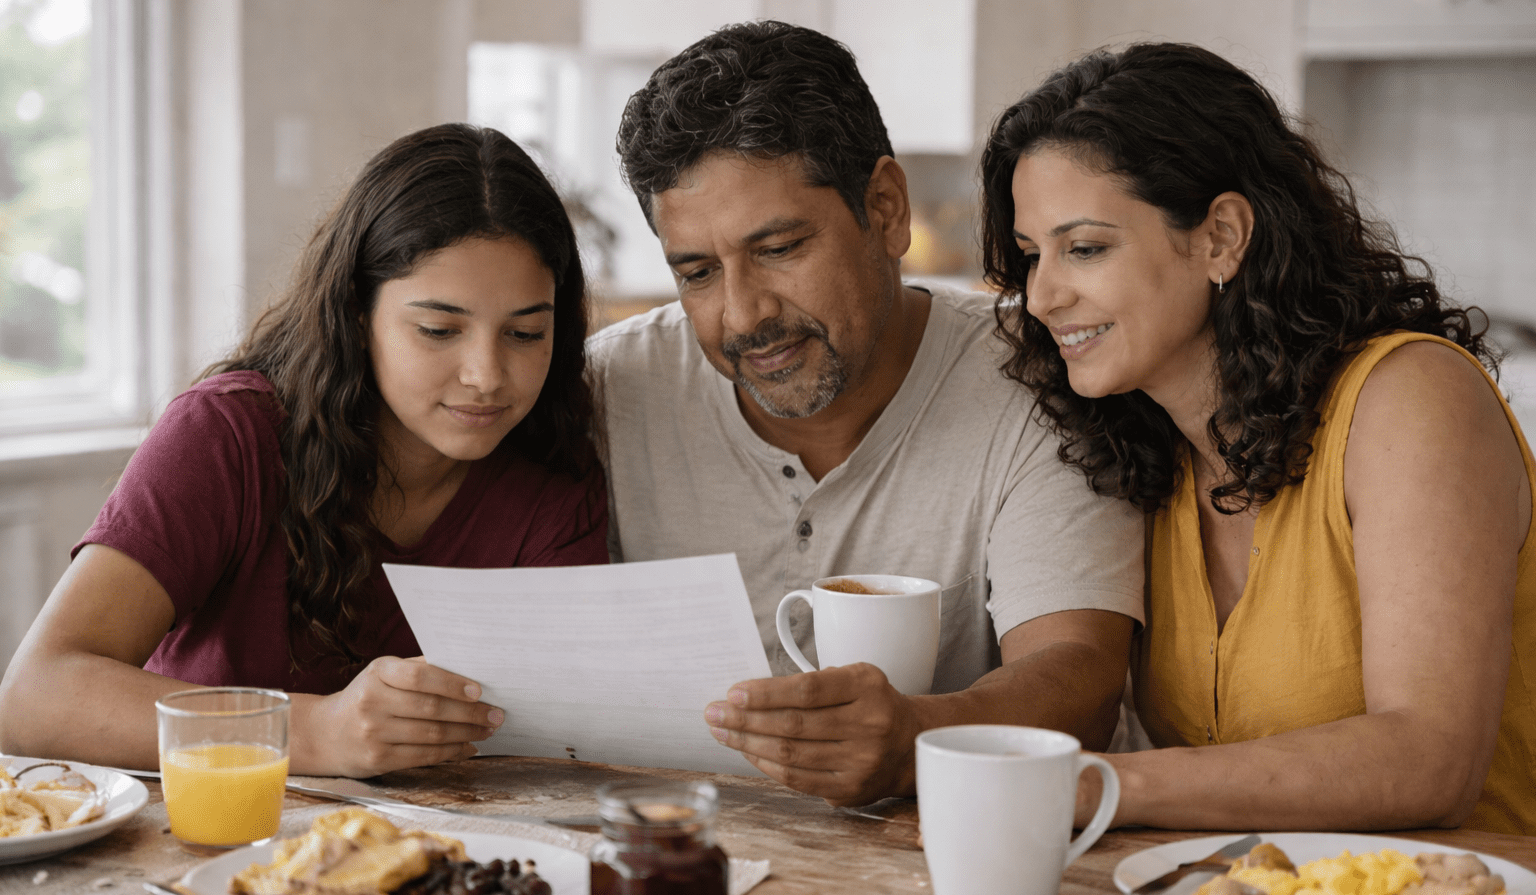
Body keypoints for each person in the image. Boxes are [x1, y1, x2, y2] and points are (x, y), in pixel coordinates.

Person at [980, 43, 1536, 835]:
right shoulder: (1148, 454)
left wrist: (1086, 786)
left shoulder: (1411, 401)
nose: (1042, 295)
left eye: (1086, 248)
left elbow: (1430, 759)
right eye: (1032, 256)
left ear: (1221, 238)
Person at [590, 21, 1145, 807]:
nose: (743, 315)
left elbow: (1080, 672)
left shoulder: (1039, 375)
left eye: (779, 248)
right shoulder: (610, 389)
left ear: (885, 209)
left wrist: (917, 738)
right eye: (698, 272)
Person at [0, 124, 608, 777]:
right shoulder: (228, 436)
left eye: (525, 332)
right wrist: (312, 732)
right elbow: (35, 698)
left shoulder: (555, 479)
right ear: (354, 312)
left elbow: (557, 742)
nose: (486, 374)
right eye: (438, 329)